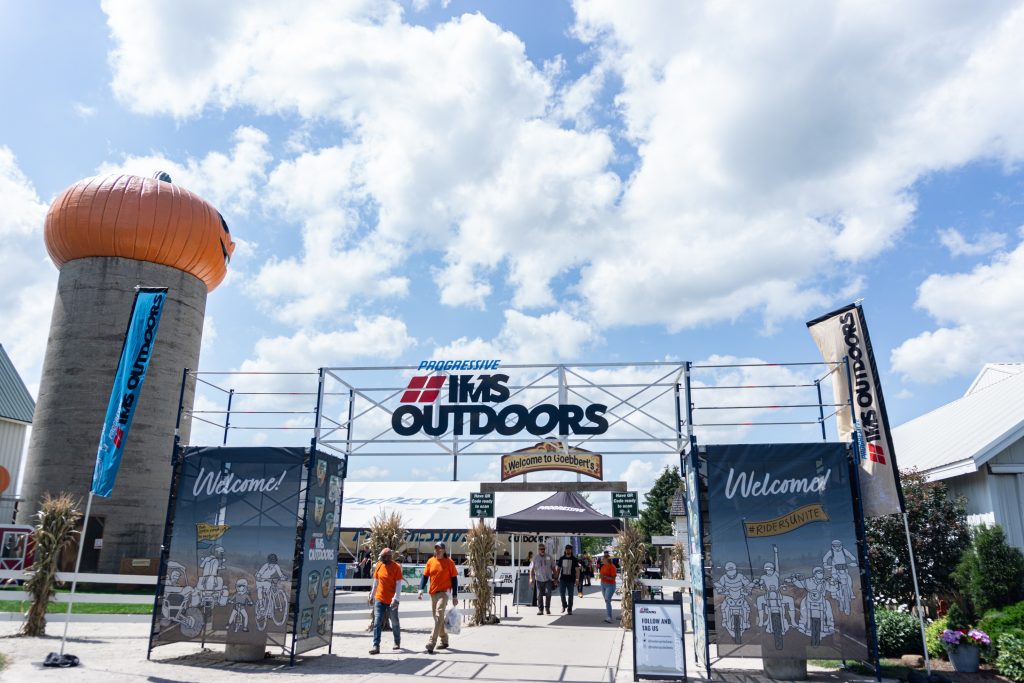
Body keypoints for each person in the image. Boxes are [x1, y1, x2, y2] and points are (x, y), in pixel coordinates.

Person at [418, 541, 459, 654]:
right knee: (438, 618)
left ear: (444, 550)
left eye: (440, 549)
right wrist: (421, 589)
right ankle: (445, 640)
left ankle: (432, 642)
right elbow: (425, 576)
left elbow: (454, 580)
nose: (437, 550)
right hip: (433, 593)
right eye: (436, 548)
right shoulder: (431, 561)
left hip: (444, 593)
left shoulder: (449, 562)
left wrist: (455, 596)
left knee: (438, 614)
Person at [368, 547, 403, 654]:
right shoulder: (379, 565)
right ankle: (376, 645)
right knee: (377, 621)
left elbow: (398, 584)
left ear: (388, 557)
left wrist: (396, 599)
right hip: (379, 599)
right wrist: (372, 595)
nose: (381, 559)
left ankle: (397, 641)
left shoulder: (396, 567)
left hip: (392, 600)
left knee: (395, 621)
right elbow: (376, 582)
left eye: (383, 557)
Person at [528, 542, 556, 615]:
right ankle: (541, 610)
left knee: (548, 593)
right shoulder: (535, 558)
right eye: (541, 549)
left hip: (548, 579)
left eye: (543, 549)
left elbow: (553, 568)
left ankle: (547, 608)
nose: (542, 550)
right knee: (539, 595)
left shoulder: (549, 557)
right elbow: (531, 569)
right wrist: (531, 578)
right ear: (538, 550)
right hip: (539, 579)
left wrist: (556, 578)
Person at [556, 544, 581, 615]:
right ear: (565, 550)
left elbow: (577, 570)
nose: (568, 550)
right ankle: (564, 605)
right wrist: (556, 578)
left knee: (571, 595)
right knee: (562, 594)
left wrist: (577, 579)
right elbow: (558, 569)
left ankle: (569, 609)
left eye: (569, 549)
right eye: (567, 549)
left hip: (571, 580)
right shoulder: (561, 558)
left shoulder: (574, 559)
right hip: (562, 579)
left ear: (571, 550)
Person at [598, 551, 617, 623]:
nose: (602, 560)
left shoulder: (612, 567)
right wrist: (601, 576)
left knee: (607, 600)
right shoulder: (603, 566)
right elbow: (601, 575)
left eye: (603, 559)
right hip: (603, 584)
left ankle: (609, 617)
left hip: (610, 585)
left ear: (607, 559)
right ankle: (608, 616)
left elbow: (613, 578)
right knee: (606, 601)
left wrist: (605, 576)